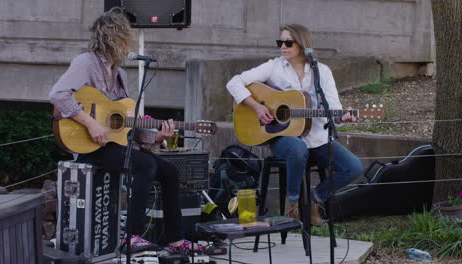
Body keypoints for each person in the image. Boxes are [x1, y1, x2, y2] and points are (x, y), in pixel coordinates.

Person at [49, 8, 206, 253]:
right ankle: (131, 236)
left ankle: (176, 240)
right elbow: (57, 94)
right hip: (92, 146)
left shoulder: (120, 74)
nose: (129, 43)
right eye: (126, 38)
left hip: (116, 145)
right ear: (115, 38)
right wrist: (91, 123)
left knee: (170, 171)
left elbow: (126, 123)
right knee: (145, 165)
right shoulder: (86, 62)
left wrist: (158, 137)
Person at [226, 24, 363, 225]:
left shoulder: (321, 72)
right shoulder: (274, 67)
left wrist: (343, 117)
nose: (282, 46)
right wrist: (256, 107)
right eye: (280, 42)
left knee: (353, 167)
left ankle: (314, 200)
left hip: (317, 137)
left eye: (288, 42)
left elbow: (333, 108)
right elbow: (234, 83)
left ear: (302, 44)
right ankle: (292, 203)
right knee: (297, 148)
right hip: (284, 138)